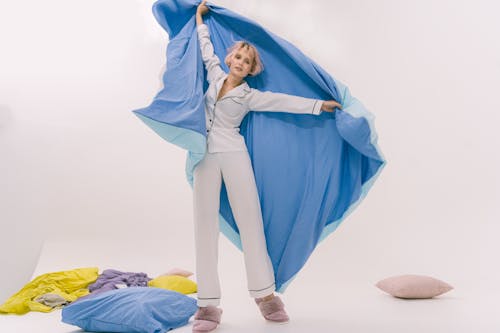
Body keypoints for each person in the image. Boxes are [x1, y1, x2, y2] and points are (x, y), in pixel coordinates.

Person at [192, 1, 341, 332]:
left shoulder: (249, 97)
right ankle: (207, 305)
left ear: (251, 68)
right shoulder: (215, 74)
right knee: (203, 227)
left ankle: (265, 295)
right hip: (204, 155)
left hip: (233, 153)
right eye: (238, 57)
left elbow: (285, 103)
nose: (241, 63)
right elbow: (204, 48)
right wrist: (200, 19)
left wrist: (319, 106)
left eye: (248, 61)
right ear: (230, 59)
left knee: (251, 220)